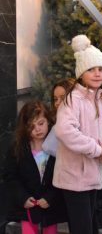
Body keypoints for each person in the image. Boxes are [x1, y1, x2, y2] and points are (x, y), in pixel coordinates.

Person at [53, 34, 102, 234]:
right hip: (73, 179)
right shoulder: (72, 100)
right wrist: (96, 149)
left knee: (91, 226)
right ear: (81, 73)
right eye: (91, 69)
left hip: (92, 175)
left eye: (101, 69)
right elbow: (65, 131)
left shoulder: (101, 98)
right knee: (82, 228)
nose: (97, 73)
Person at [3, 100, 67, 234]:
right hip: (27, 208)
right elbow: (11, 177)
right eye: (31, 126)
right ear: (24, 128)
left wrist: (50, 198)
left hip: (50, 207)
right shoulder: (18, 149)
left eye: (40, 123)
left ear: (48, 121)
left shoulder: (57, 147)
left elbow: (63, 175)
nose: (37, 129)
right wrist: (23, 198)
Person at [42, 78, 76, 157]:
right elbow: (47, 148)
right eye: (55, 99)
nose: (57, 103)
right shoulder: (55, 124)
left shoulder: (86, 122)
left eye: (63, 98)